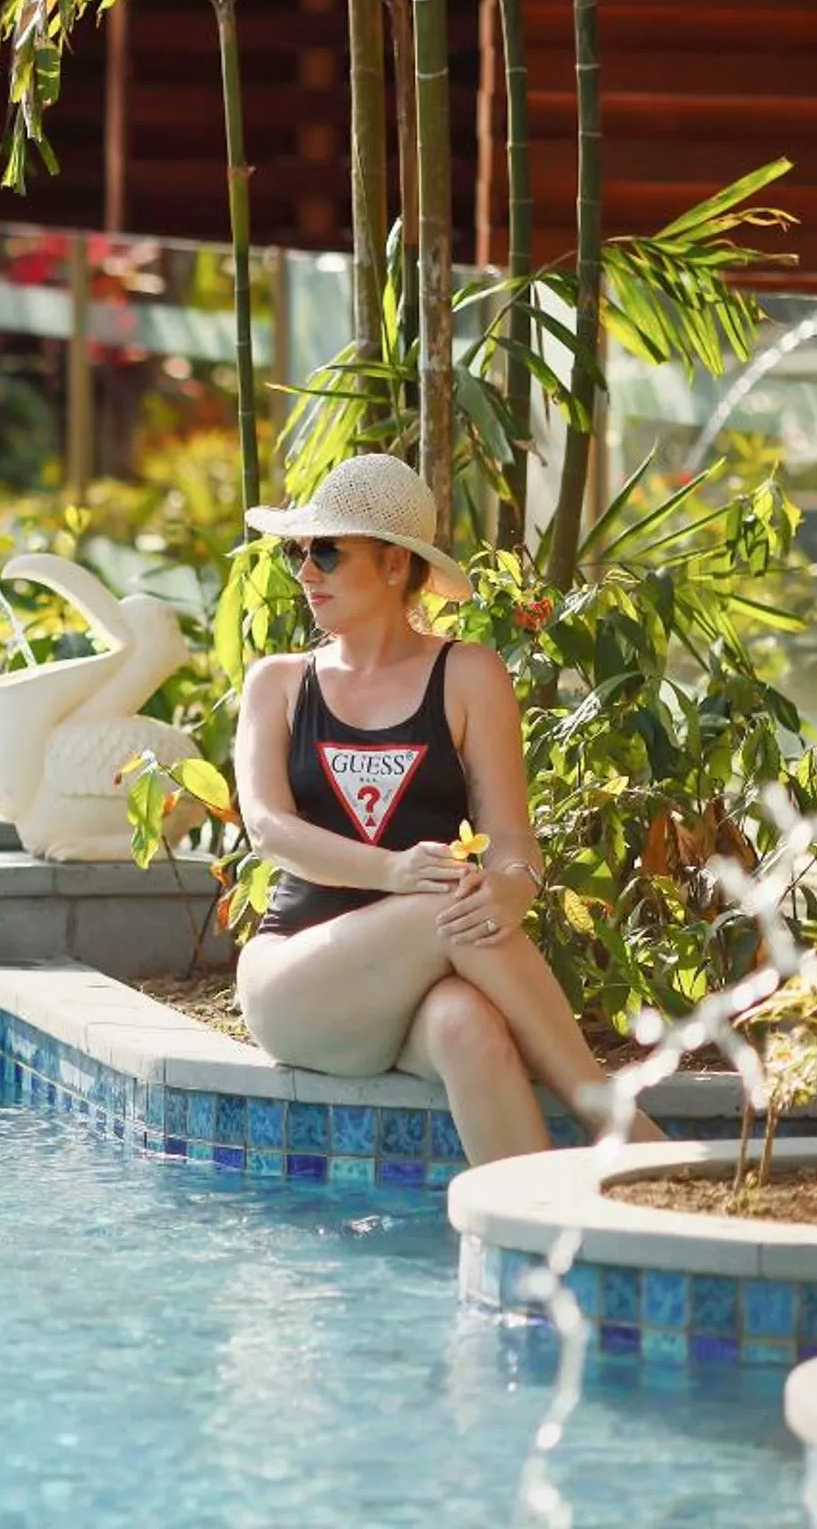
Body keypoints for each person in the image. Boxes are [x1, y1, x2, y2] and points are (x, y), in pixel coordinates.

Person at [232, 452, 659, 1166]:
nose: (306, 572)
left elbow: (514, 844)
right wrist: (395, 872)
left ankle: (534, 1241)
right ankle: (622, 1128)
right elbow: (269, 830)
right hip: (300, 984)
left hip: (426, 983)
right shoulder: (278, 684)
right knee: (442, 899)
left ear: (395, 566)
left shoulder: (467, 674)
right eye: (300, 554)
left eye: (328, 554)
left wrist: (511, 892)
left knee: (471, 1029)